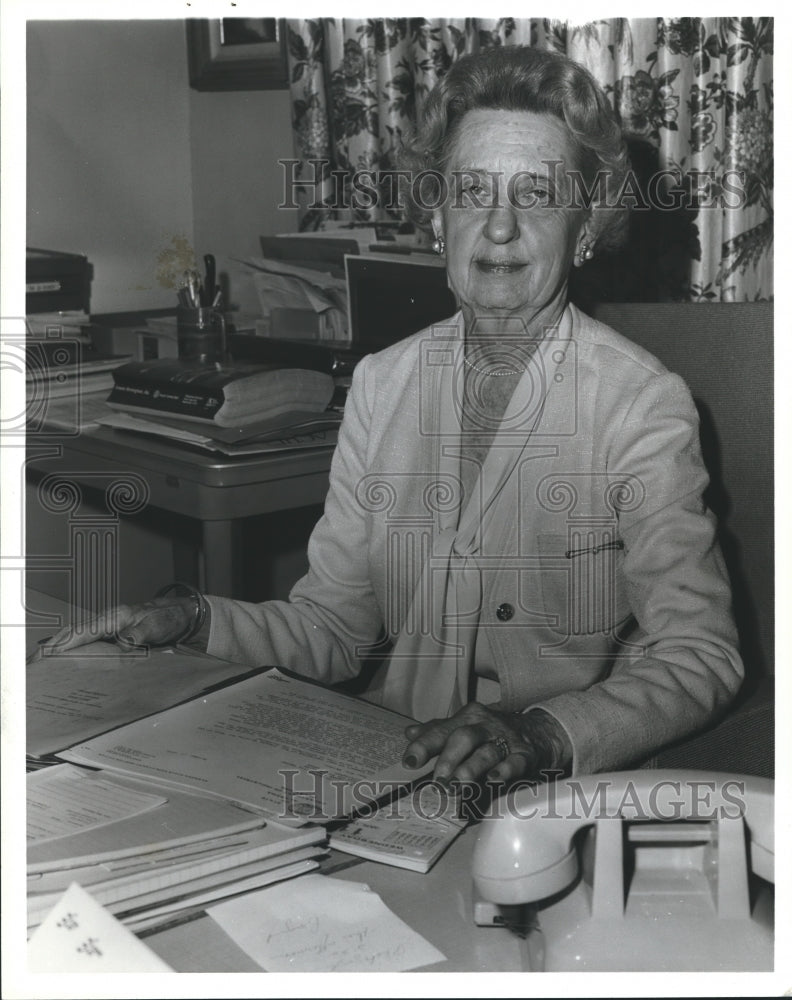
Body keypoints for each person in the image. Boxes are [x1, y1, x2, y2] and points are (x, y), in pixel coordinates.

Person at [45, 46, 742, 790]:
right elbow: (334, 632)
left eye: (536, 194)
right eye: (472, 192)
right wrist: (194, 618)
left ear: (587, 227)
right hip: (390, 767)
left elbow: (702, 654)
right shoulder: (382, 384)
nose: (499, 228)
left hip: (553, 791)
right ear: (438, 219)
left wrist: (540, 734)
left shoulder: (641, 404)